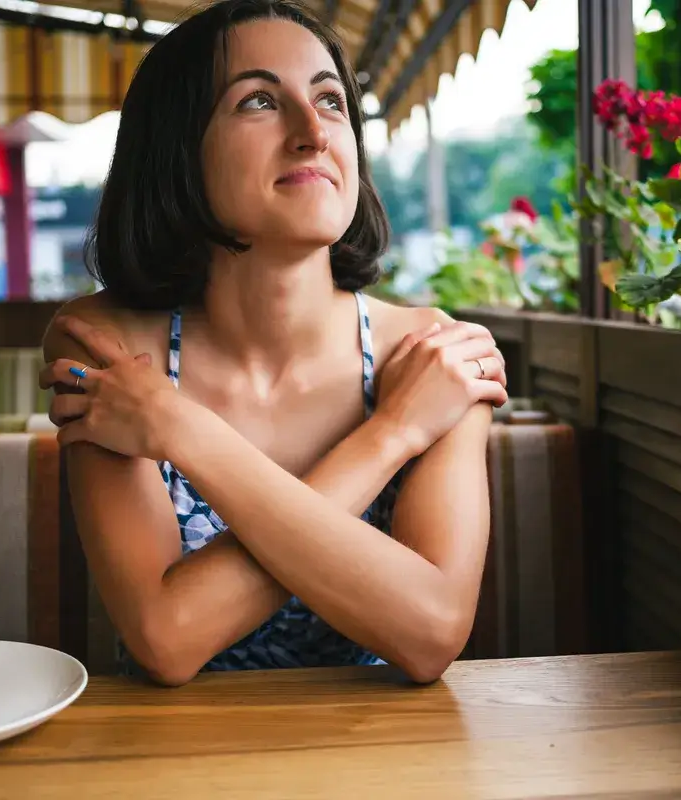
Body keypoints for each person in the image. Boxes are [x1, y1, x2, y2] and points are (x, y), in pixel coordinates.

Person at [39, 0, 509, 687]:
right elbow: (165, 639)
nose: (313, 133)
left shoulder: (430, 353)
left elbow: (431, 633)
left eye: (330, 100)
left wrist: (181, 430)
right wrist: (391, 437)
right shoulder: (103, 343)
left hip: (386, 759)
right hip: (176, 761)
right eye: (258, 100)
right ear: (176, 147)